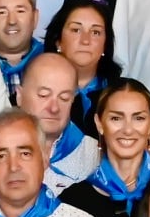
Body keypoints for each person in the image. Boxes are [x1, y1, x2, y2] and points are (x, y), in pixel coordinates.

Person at [59, 79, 150, 217]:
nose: (128, 130)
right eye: (116, 118)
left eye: (139, 118)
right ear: (99, 123)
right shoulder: (73, 201)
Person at [17, 52, 98, 195]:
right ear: (19, 96)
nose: (54, 108)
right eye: (43, 95)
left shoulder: (93, 155)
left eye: (64, 98)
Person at [43, 0, 120, 133]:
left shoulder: (122, 93)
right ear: (58, 41)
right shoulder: (34, 94)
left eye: (96, 32)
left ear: (105, 45)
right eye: (76, 30)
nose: (85, 40)